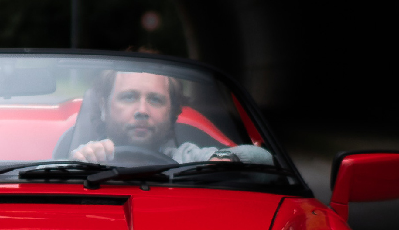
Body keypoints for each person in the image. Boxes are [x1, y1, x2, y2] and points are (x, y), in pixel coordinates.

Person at [71, 68, 274, 169]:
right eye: (129, 97)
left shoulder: (186, 159)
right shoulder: (89, 157)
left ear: (172, 112)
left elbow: (265, 158)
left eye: (155, 100)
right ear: (103, 105)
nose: (142, 110)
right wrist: (79, 165)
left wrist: (223, 160)